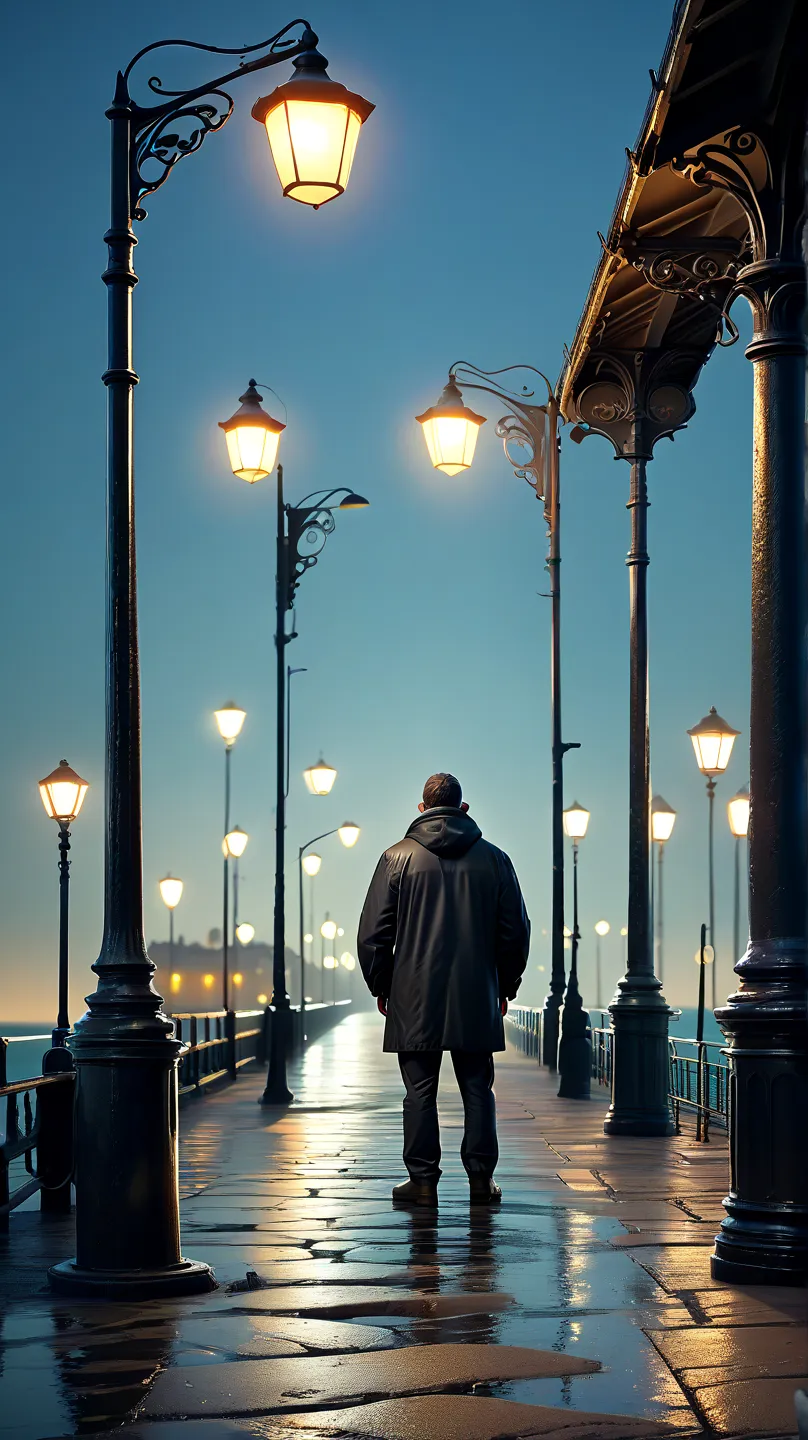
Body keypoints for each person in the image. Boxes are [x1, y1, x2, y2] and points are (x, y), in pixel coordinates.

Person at [357, 772, 530, 1207]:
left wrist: (384, 985)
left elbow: (373, 935)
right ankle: (480, 1181)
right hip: (476, 993)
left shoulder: (395, 858)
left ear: (422, 809)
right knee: (478, 1089)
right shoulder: (495, 860)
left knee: (419, 1092)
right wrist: (504, 984)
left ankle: (422, 1181)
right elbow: (515, 932)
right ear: (463, 808)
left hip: (413, 995)